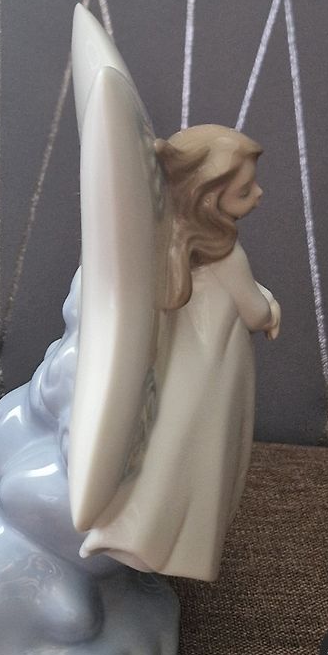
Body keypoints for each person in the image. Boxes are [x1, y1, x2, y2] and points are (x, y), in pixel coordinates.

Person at [79, 124, 281, 581]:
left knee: (167, 444)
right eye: (245, 191)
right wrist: (272, 308)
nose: (259, 195)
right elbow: (253, 312)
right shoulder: (226, 256)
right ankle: (167, 543)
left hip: (180, 364)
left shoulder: (172, 245)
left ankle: (132, 529)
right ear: (208, 200)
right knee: (200, 454)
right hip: (215, 371)